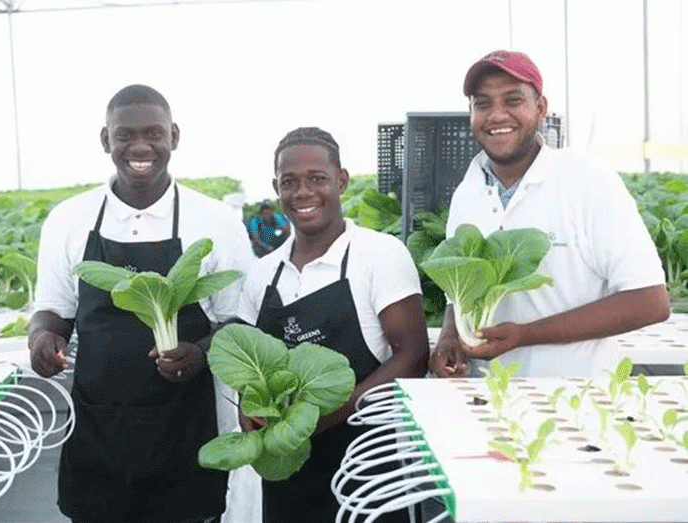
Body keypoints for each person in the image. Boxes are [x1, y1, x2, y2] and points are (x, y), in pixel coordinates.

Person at [28, 84, 253, 523]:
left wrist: (200, 353)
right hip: (97, 428)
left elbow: (238, 321)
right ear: (105, 141)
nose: (140, 146)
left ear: (174, 136)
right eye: (125, 135)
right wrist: (42, 337)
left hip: (185, 428)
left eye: (153, 133)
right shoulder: (69, 219)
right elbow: (53, 308)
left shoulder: (214, 221)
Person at [431, 50, 670, 379]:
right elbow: (456, 293)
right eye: (482, 103)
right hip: (484, 396)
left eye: (513, 100)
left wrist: (525, 335)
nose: (497, 115)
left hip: (574, 397)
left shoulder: (587, 180)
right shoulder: (466, 193)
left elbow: (650, 302)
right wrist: (449, 337)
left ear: (540, 108)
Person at [236, 127, 429, 523]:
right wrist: (249, 408)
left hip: (367, 463)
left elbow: (412, 357)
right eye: (289, 182)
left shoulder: (379, 255)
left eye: (317, 179)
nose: (302, 192)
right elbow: (245, 362)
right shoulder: (263, 275)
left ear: (340, 180)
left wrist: (322, 419)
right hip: (287, 469)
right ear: (276, 187)